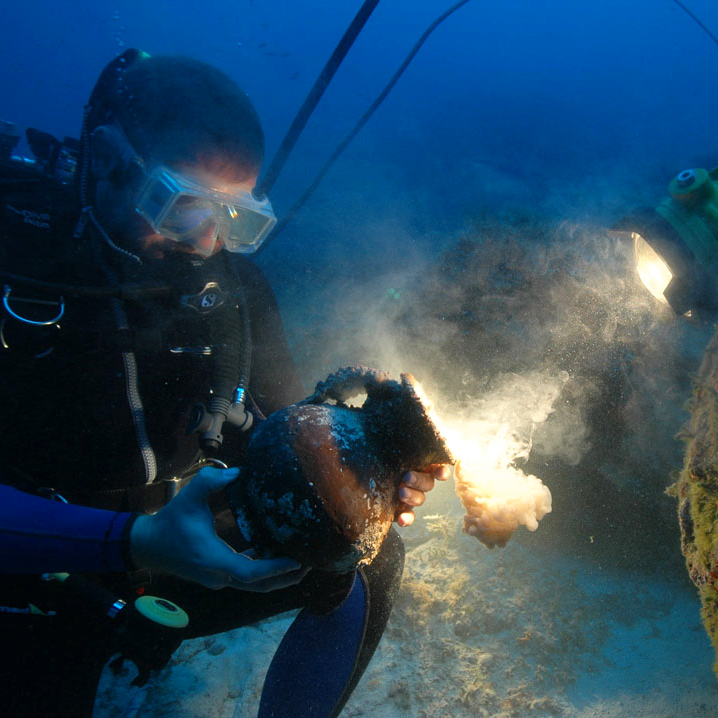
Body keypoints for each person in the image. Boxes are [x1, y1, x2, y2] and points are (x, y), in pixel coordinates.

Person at [0, 50, 448, 717]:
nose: (207, 242)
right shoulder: (14, 264)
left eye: (235, 218)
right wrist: (129, 539)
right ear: (106, 158)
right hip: (32, 574)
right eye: (181, 206)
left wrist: (367, 463)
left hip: (172, 555)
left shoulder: (233, 292)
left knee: (359, 562)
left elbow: (281, 433)